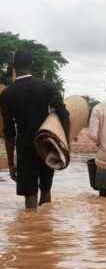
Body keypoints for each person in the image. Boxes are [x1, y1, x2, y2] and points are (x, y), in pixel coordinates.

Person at [0, 49, 70, 210]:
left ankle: (31, 229)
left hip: (25, 148)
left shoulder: (7, 94)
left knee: (30, 197)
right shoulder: (48, 87)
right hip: (47, 144)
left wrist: (11, 162)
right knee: (46, 190)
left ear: (13, 66)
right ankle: (45, 230)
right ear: (31, 64)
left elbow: (9, 132)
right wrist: (65, 145)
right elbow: (64, 115)